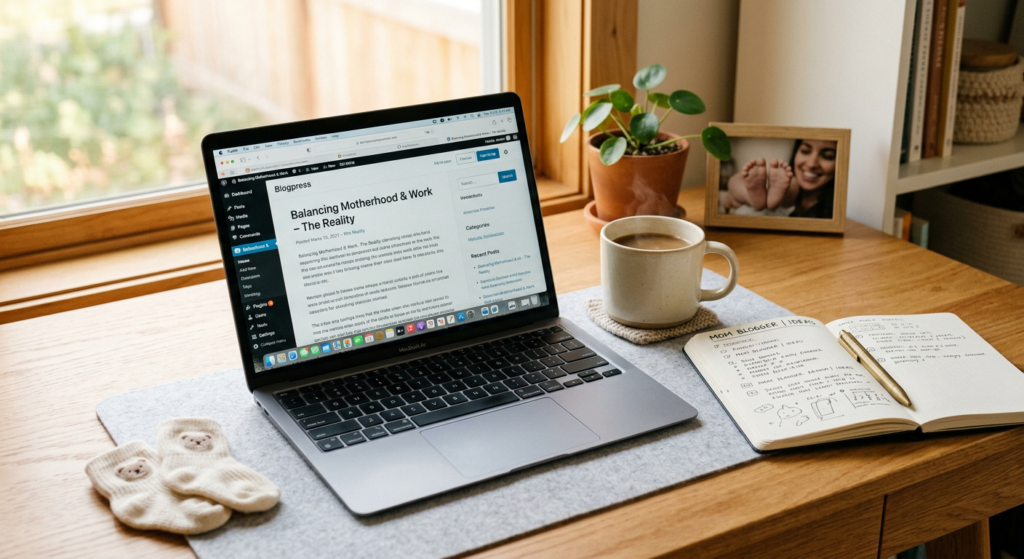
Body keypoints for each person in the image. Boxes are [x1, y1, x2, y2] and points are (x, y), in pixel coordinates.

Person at [721, 139, 838, 218]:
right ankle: (752, 198)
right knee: (736, 181)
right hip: (747, 205)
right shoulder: (784, 179)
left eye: (828, 156)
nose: (812, 164)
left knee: (791, 185)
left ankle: (762, 199)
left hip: (778, 205)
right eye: (805, 151)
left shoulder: (834, 210)